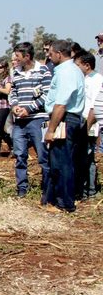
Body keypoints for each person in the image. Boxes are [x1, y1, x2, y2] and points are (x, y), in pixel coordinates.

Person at [41, 40, 85, 213]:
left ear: (59, 54)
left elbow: (61, 104)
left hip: (65, 119)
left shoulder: (67, 72)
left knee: (62, 162)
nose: (48, 56)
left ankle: (64, 203)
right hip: (64, 118)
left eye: (50, 53)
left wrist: (51, 130)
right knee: (57, 161)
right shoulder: (69, 70)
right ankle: (52, 199)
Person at [8, 42, 52, 198]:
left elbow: (47, 95)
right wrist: (14, 106)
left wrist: (29, 109)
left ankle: (47, 191)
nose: (16, 59)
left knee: (43, 156)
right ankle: (21, 189)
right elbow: (12, 92)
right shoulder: (16, 72)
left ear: (27, 56)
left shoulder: (43, 71)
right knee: (20, 156)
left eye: (18, 56)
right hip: (20, 121)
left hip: (37, 120)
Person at [74, 51, 100, 199]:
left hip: (88, 123)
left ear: (87, 65)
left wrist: (87, 126)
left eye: (78, 65)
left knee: (87, 158)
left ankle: (89, 191)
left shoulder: (97, 80)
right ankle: (82, 189)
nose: (76, 68)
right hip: (81, 122)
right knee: (81, 157)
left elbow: (94, 107)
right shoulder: (84, 79)